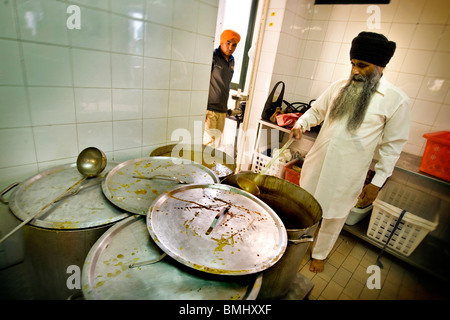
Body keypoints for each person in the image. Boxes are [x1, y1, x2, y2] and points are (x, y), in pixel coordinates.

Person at [289, 31, 410, 273]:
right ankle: (295, 244)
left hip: (347, 173)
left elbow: (392, 146)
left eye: (362, 65)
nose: (354, 71)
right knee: (304, 207)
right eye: (352, 64)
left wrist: (376, 183)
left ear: (379, 67)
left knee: (333, 217)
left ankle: (320, 253)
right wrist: (301, 123)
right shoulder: (338, 87)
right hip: (318, 163)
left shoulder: (396, 100)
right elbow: (316, 111)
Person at [203, 29, 241, 148]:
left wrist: (225, 109)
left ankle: (210, 166)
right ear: (221, 42)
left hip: (221, 109)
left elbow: (226, 84)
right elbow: (203, 82)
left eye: (234, 45)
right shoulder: (213, 56)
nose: (230, 47)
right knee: (208, 143)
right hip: (209, 109)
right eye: (228, 43)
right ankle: (202, 166)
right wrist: (202, 108)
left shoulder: (232, 60)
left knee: (216, 144)